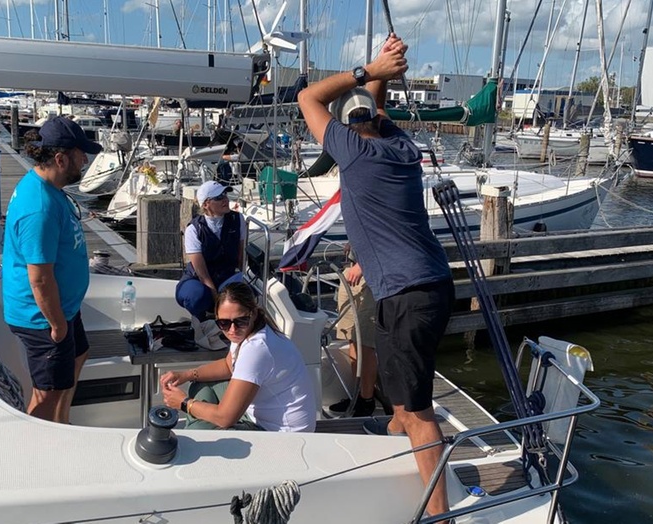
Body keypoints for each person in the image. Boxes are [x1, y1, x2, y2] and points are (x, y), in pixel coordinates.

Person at [298, 34, 455, 520]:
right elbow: (374, 116)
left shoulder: (354, 153)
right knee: (402, 404)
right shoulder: (401, 149)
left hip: (408, 295)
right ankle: (386, 458)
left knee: (421, 413)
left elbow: (308, 97)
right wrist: (384, 76)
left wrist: (370, 69)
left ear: (345, 126)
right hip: (421, 287)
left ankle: (437, 513)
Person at [2, 116, 103, 424]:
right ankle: (41, 442)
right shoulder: (39, 208)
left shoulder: (50, 188)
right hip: (44, 318)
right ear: (60, 158)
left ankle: (62, 425)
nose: (85, 160)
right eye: (80, 154)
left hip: (64, 310)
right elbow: (40, 278)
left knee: (77, 358)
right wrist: (57, 325)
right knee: (48, 394)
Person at [161, 282, 316, 432]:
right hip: (265, 416)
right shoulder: (251, 331)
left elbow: (225, 418)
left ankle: (199, 430)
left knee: (199, 428)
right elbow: (228, 366)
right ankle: (202, 427)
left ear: (253, 314)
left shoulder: (256, 348)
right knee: (199, 384)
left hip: (282, 434)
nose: (232, 330)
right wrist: (187, 375)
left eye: (240, 321)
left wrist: (184, 403)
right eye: (224, 323)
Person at [175, 181, 246, 321]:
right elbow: (203, 275)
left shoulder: (238, 219)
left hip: (226, 276)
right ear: (206, 204)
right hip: (197, 279)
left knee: (250, 291)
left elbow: (241, 256)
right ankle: (201, 323)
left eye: (225, 195)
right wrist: (217, 300)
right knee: (197, 296)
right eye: (219, 197)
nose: (225, 199)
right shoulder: (194, 229)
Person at [328, 245, 379, 418]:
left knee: (365, 342)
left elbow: (383, 239)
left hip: (369, 275)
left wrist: (363, 265)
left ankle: (367, 400)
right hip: (351, 269)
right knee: (351, 338)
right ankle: (357, 396)